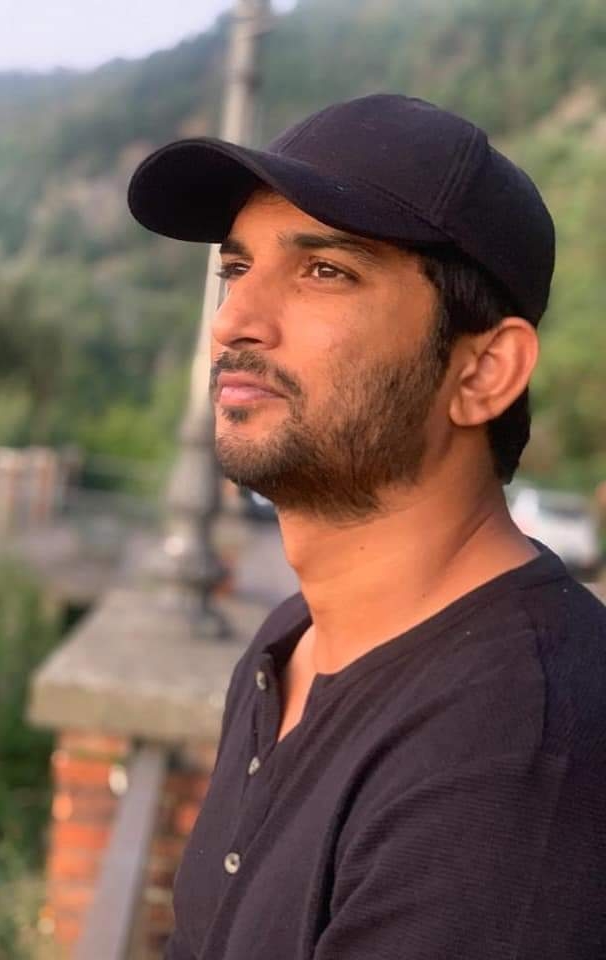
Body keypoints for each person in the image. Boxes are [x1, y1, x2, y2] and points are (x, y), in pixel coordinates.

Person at [127, 94, 606, 960]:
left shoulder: (515, 753)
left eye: (324, 271)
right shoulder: (292, 646)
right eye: (237, 268)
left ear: (484, 371)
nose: (234, 320)